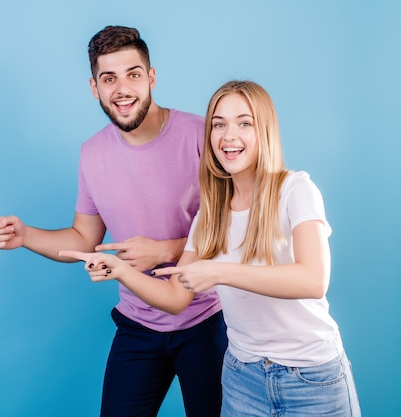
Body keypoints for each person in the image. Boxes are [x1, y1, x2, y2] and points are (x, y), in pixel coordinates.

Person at [0, 26, 227, 417]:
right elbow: (84, 238)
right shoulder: (92, 154)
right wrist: (26, 236)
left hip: (206, 321)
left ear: (151, 77)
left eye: (133, 74)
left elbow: (238, 230)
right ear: (94, 87)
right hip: (137, 325)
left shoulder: (204, 136)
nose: (122, 88)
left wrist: (165, 250)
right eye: (109, 78)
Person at [61, 80, 361, 416]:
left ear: (264, 130)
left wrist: (219, 272)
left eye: (244, 123)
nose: (228, 136)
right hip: (242, 378)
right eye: (219, 124)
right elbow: (175, 298)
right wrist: (121, 270)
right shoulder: (211, 214)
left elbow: (313, 279)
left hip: (310, 377)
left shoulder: (295, 190)